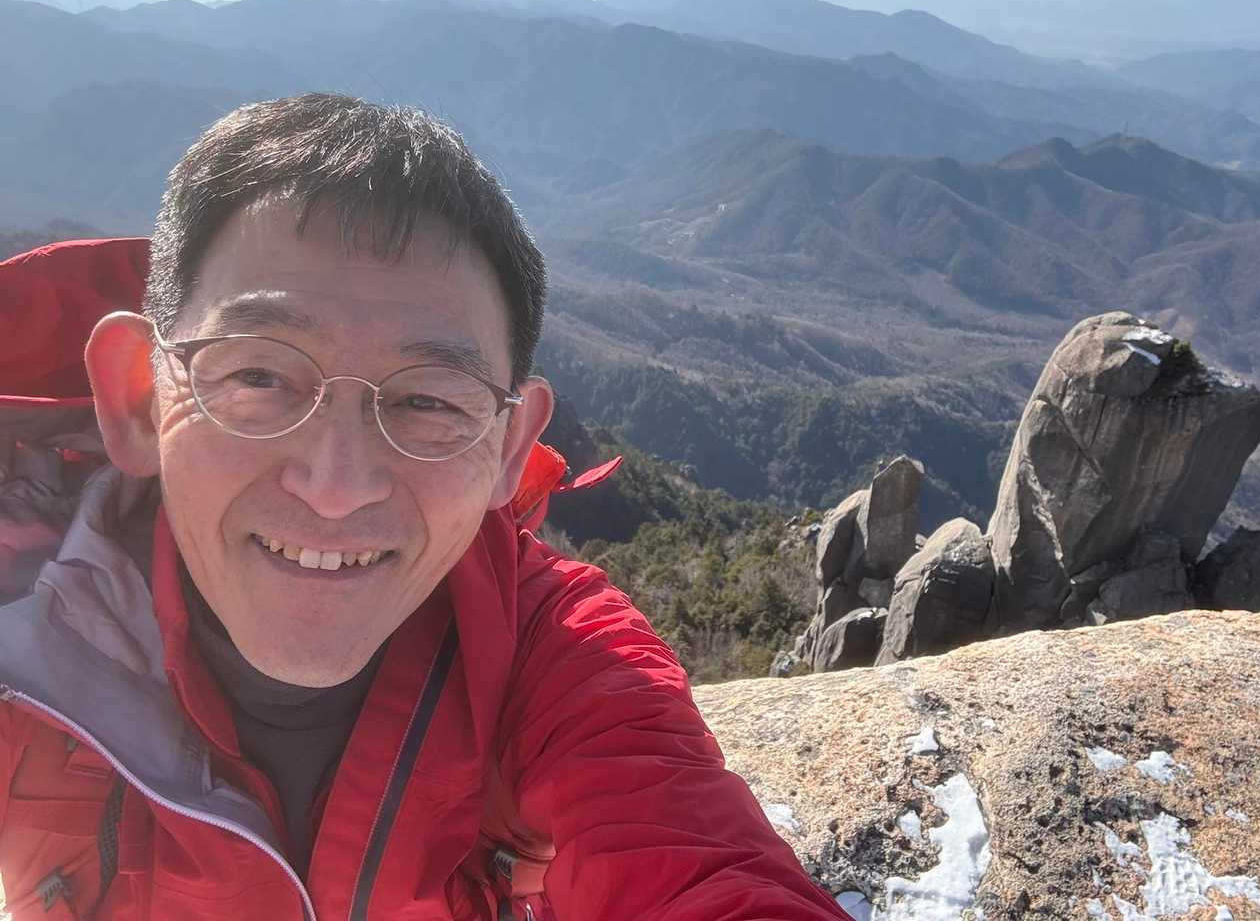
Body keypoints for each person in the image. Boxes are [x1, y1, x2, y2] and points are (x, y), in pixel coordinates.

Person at [0, 94, 851, 920]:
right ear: (138, 398)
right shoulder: (20, 638)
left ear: (508, 449)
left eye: (428, 401)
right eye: (258, 375)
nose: (335, 487)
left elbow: (694, 858)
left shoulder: (551, 658)